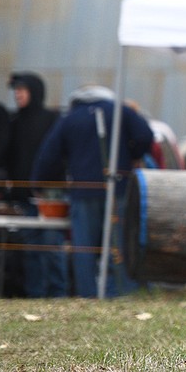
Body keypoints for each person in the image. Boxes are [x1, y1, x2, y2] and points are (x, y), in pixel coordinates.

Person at [31, 85, 153, 298]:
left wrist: (39, 184)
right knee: (118, 242)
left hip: (83, 191)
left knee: (84, 248)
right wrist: (131, 154)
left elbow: (49, 155)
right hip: (119, 187)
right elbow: (145, 135)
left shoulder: (70, 118)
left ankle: (87, 295)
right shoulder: (120, 111)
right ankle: (119, 292)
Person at [6, 73, 68, 298]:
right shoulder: (15, 121)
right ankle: (35, 293)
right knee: (30, 247)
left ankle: (57, 293)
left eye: (22, 90)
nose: (18, 95)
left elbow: (59, 155)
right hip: (23, 195)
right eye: (16, 91)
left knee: (52, 245)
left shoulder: (52, 119)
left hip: (51, 193)